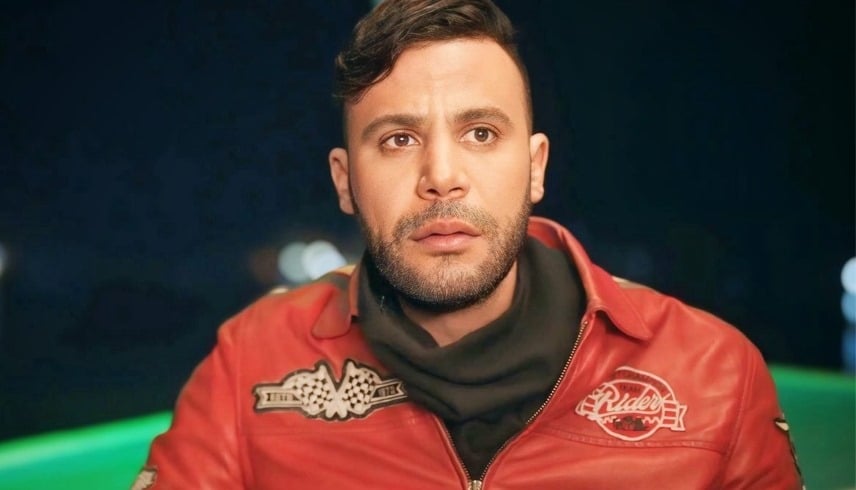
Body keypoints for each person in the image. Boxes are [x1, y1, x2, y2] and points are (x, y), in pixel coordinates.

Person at [135, 1, 803, 488]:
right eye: (398, 139)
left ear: (535, 167)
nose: (441, 177)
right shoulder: (249, 363)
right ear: (345, 181)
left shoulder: (715, 373)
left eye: (481, 133)